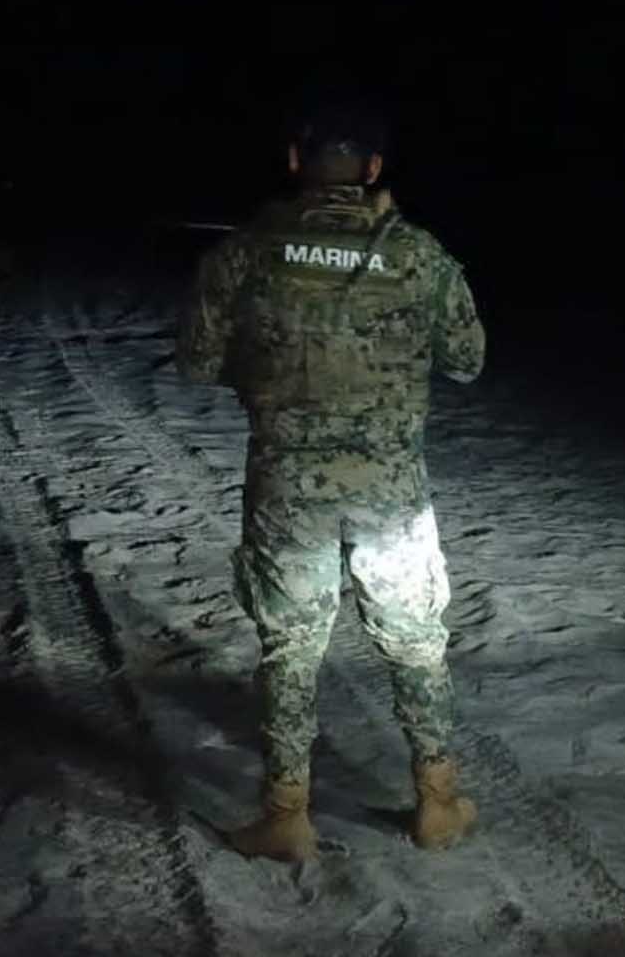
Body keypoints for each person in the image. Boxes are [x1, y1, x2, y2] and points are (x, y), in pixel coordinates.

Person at [176, 94, 487, 862]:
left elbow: (198, 362)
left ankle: (287, 815)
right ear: (373, 168)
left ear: (294, 161)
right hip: (392, 494)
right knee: (416, 642)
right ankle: (438, 802)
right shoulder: (417, 253)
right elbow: (467, 360)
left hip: (289, 488)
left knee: (290, 648)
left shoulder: (247, 252)